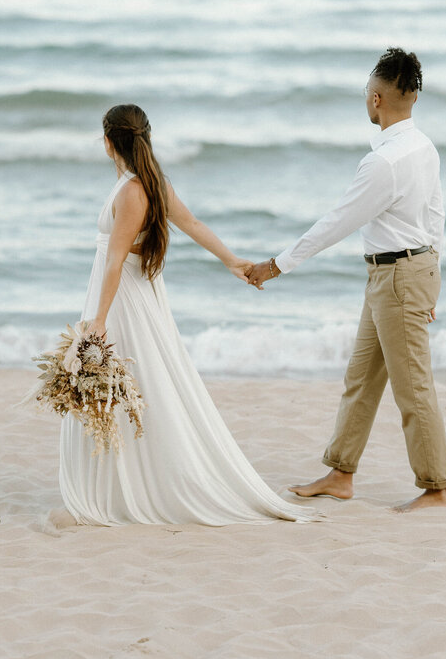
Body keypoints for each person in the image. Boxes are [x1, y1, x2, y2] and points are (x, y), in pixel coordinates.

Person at [59, 104, 310, 526]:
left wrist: (98, 320)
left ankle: (129, 489)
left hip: (122, 299)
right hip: (128, 293)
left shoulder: (130, 191)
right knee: (134, 386)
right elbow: (192, 224)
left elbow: (116, 261)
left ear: (107, 143)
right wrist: (231, 260)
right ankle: (120, 483)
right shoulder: (148, 183)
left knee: (132, 387)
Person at [247, 48, 446, 512]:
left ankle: (437, 488)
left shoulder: (384, 163)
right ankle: (340, 474)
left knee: (412, 387)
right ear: (414, 97)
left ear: (377, 99)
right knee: (361, 377)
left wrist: (277, 264)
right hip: (401, 274)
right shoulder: (423, 147)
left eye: (366, 92)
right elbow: (435, 213)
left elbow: (336, 222)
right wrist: (433, 274)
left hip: (400, 277)